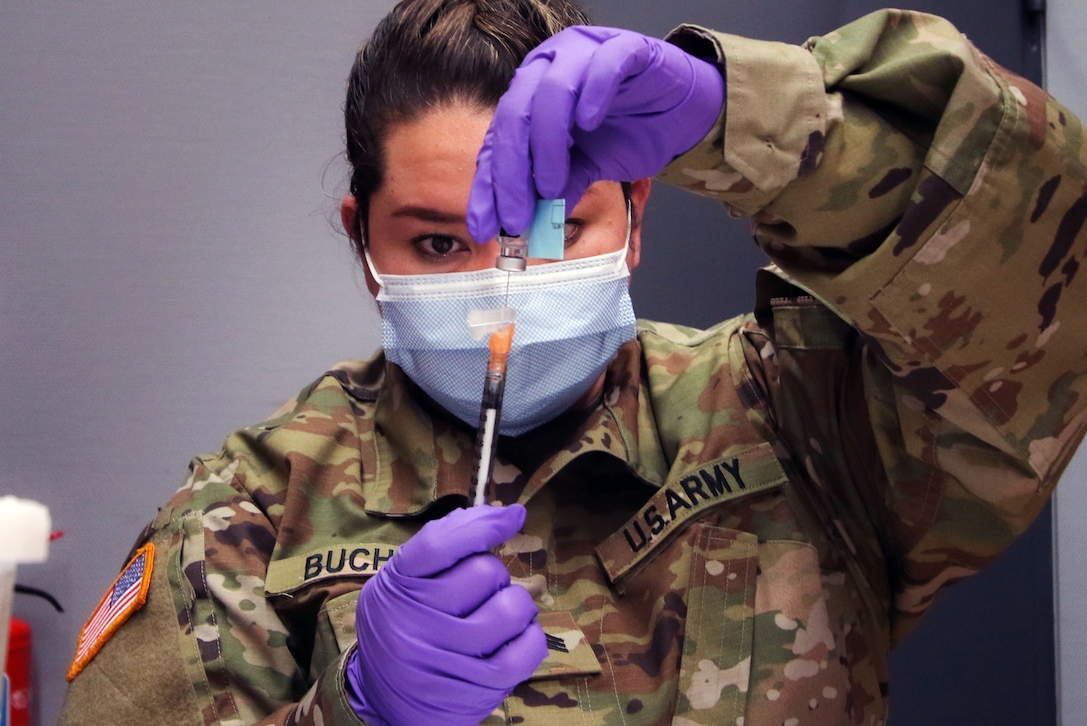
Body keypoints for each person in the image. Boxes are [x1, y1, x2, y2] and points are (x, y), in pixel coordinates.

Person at [58, 0, 1087, 724]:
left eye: (547, 230)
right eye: (436, 243)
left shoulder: (800, 416)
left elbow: (1051, 290)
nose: (500, 287)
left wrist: (756, 123)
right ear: (360, 240)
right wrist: (359, 713)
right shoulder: (249, 516)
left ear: (633, 218)